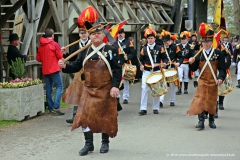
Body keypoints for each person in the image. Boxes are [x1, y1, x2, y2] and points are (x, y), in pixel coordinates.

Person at [58, 6, 121, 156]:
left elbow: (117, 70)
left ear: (102, 35)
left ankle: (105, 143)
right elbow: (76, 66)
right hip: (88, 89)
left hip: (105, 88)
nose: (96, 36)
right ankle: (89, 144)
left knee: (105, 116)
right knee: (83, 117)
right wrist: (65, 66)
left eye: (98, 33)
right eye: (93, 34)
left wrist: (115, 87)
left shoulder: (110, 50)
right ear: (90, 36)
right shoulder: (85, 51)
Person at [187, 23, 226, 130]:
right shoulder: (198, 54)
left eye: (208, 41)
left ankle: (211, 120)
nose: (206, 44)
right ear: (202, 43)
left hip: (213, 80)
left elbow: (222, 69)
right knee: (201, 100)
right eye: (204, 42)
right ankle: (201, 121)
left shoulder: (218, 53)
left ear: (211, 42)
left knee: (212, 100)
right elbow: (194, 69)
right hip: (202, 80)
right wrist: (191, 62)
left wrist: (220, 78)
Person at [61, 26, 91, 124]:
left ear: (88, 34)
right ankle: (75, 117)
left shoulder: (92, 44)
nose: (83, 35)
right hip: (79, 73)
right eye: (81, 33)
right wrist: (65, 55)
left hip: (90, 73)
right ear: (79, 34)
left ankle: (89, 115)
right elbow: (73, 61)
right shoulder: (76, 46)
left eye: (85, 33)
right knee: (77, 94)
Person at [138, 25, 167, 115]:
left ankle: (155, 108)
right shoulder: (144, 49)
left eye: (151, 38)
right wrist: (141, 65)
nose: (150, 40)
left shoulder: (160, 48)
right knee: (144, 89)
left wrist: (165, 63)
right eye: (149, 38)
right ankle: (143, 108)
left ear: (154, 39)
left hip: (157, 71)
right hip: (147, 71)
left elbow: (165, 58)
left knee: (156, 89)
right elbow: (141, 59)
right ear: (147, 39)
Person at [36, 28, 64, 115]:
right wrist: (61, 51)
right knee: (60, 86)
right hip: (54, 69)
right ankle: (56, 107)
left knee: (48, 88)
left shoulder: (41, 46)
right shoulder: (54, 44)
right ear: (52, 35)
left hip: (45, 70)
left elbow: (38, 58)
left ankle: (51, 107)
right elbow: (60, 56)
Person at [159, 30, 183, 107]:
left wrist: (179, 63)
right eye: (164, 42)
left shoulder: (175, 47)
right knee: (163, 84)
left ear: (170, 41)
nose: (165, 44)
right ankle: (161, 101)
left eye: (166, 42)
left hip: (172, 68)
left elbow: (181, 57)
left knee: (172, 85)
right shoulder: (161, 48)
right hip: (164, 68)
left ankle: (172, 100)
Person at [113, 28, 134, 104]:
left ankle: (125, 97)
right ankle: (117, 95)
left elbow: (133, 53)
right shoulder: (114, 43)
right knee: (117, 80)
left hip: (126, 63)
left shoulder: (129, 43)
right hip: (117, 64)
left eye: (121, 33)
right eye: (119, 33)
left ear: (124, 34)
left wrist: (128, 57)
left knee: (126, 81)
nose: (120, 34)